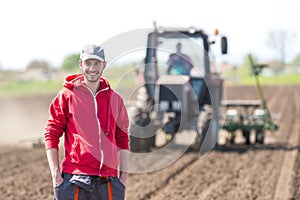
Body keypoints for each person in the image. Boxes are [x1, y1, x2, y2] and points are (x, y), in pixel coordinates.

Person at [44, 44, 130, 200]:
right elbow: (52, 133)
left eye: (97, 63)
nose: (92, 68)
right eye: (88, 63)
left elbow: (122, 136)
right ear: (80, 64)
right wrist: (55, 174)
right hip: (75, 179)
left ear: (104, 65)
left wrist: (123, 176)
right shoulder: (67, 96)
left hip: (108, 181)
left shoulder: (115, 99)